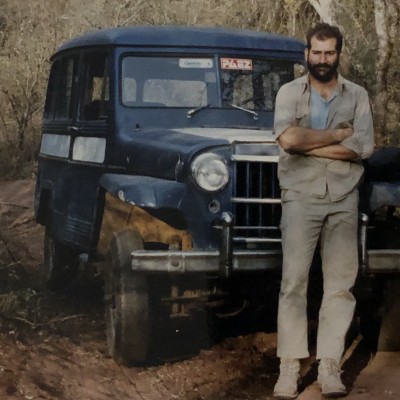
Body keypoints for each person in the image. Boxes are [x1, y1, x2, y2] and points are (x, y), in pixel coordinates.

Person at [273, 23, 374, 399]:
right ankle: (289, 366)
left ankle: (329, 365)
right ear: (306, 54)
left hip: (344, 196)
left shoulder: (358, 96)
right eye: (316, 52)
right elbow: (287, 138)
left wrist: (307, 143)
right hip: (300, 195)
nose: (322, 59)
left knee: (340, 285)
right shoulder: (288, 93)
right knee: (293, 282)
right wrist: (335, 135)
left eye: (329, 52)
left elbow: (363, 148)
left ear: (338, 54)